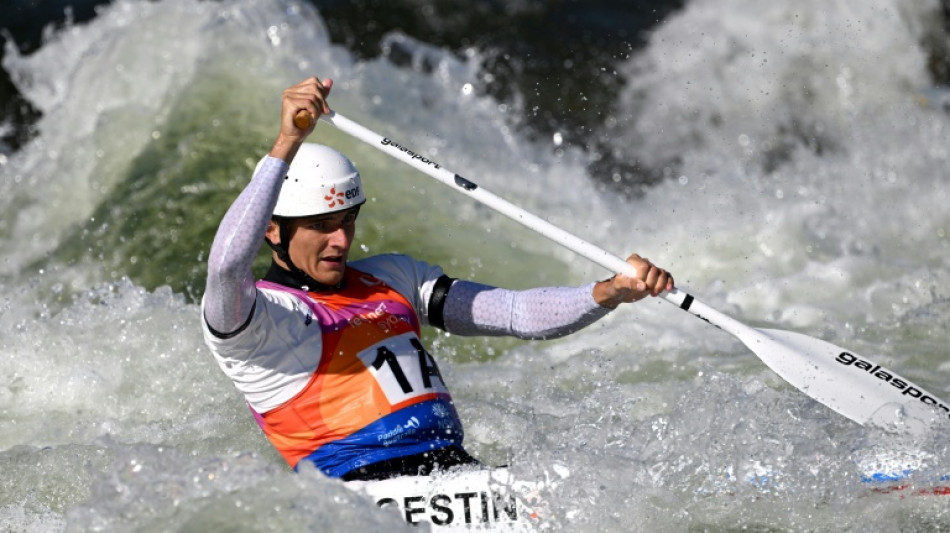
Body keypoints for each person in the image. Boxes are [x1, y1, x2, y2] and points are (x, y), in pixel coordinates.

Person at [201, 76, 674, 481]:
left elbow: (515, 313)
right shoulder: (256, 319)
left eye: (347, 221)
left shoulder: (393, 277)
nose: (341, 241)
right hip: (363, 496)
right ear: (272, 229)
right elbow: (225, 266)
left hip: (458, 475)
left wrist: (608, 292)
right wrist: (286, 144)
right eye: (321, 227)